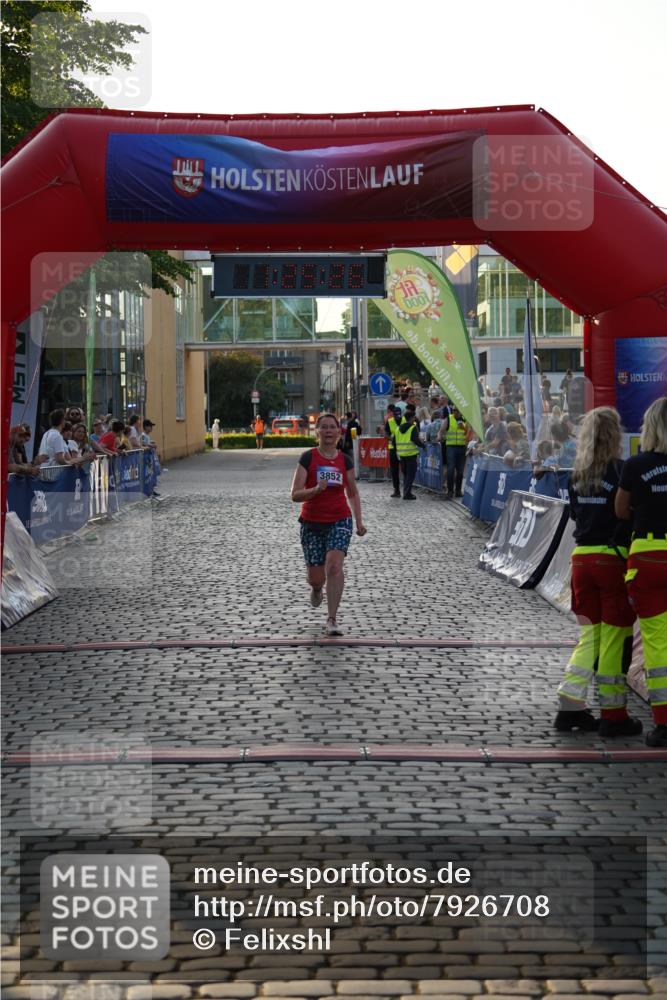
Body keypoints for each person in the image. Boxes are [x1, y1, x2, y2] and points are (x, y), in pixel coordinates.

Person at [555, 407, 640, 737]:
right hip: (610, 559)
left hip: (581, 560)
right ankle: (613, 713)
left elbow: (576, 516)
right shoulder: (620, 470)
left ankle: (570, 704)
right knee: (614, 638)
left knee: (590, 636)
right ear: (614, 435)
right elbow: (625, 514)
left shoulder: (576, 474)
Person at [615, 395, 667, 747]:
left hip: (648, 556)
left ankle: (663, 722)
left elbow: (620, 512)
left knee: (656, 641)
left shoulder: (635, 465)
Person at [290, 413, 367, 637]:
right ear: (317, 432)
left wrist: (359, 521)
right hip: (312, 523)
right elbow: (294, 494)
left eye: (332, 427)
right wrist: (315, 490)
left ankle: (332, 619)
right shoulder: (307, 458)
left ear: (338, 432)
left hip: (340, 519)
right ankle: (316, 589)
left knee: (334, 566)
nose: (328, 431)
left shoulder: (345, 460)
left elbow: (352, 492)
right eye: (323, 427)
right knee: (316, 577)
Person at [393, 404, 424, 500]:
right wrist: (423, 445)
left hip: (402, 455)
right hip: (411, 455)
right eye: (414, 417)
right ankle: (407, 494)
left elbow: (394, 442)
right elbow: (415, 440)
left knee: (406, 475)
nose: (415, 419)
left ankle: (406, 492)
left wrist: (397, 450)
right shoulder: (412, 428)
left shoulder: (398, 429)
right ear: (412, 418)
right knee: (410, 475)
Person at [439, 406, 468, 499]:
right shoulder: (448, 419)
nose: (456, 412)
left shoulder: (465, 419)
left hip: (462, 447)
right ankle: (450, 491)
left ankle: (458, 491)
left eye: (458, 410)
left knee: (460, 471)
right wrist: (440, 436)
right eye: (454, 410)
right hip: (451, 447)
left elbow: (469, 432)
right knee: (451, 469)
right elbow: (441, 431)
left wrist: (463, 427)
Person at [384, 403, 402, 499]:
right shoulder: (390, 421)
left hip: (404, 450)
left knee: (405, 470)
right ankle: (396, 490)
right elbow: (385, 434)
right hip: (393, 449)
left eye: (399, 415)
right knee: (394, 471)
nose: (398, 418)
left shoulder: (404, 420)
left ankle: (407, 489)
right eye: (396, 416)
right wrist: (392, 439)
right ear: (393, 415)